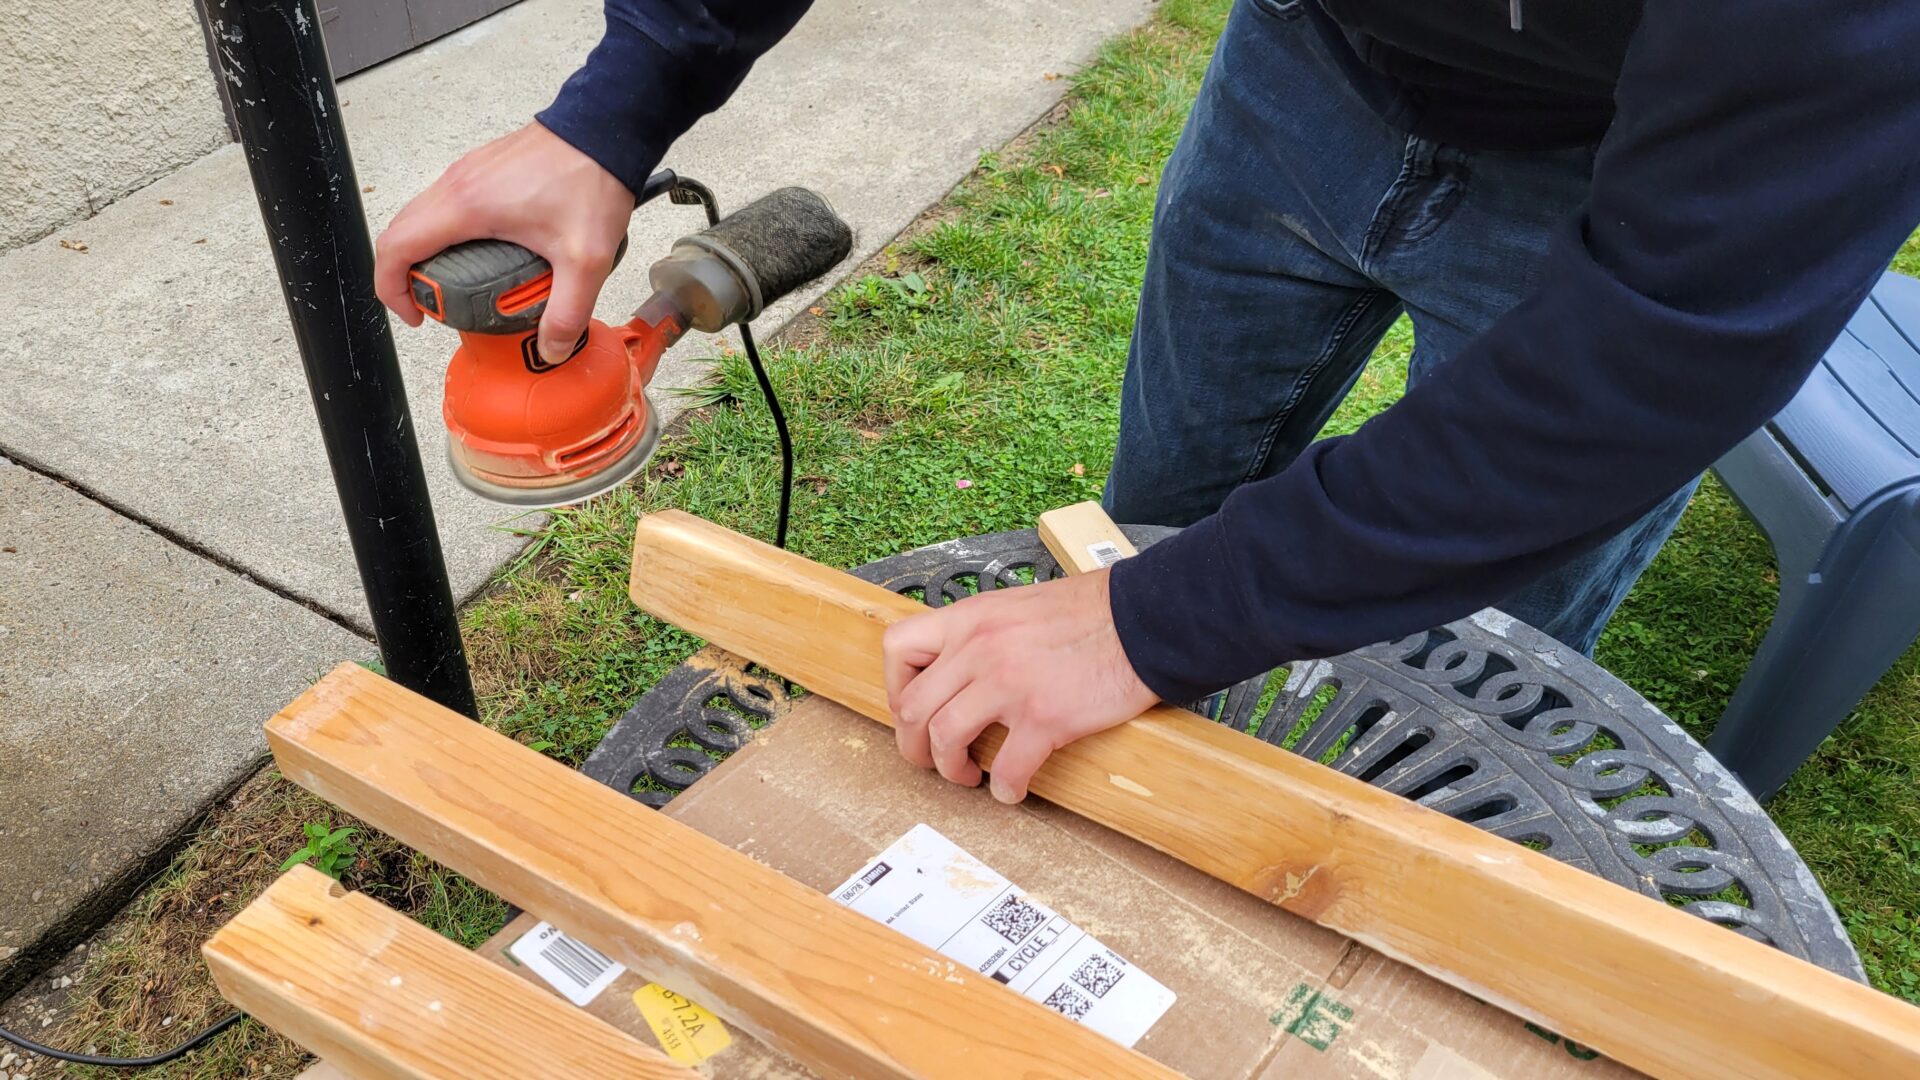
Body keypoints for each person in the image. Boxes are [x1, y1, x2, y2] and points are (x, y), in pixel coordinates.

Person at [375, 1, 1920, 806]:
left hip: (1620, 172)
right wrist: (613, 104)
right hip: (1304, 64)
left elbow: (1671, 332)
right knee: (1150, 509)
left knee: (1459, 684)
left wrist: (1155, 629)